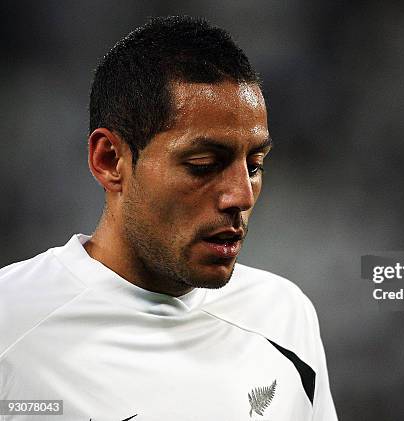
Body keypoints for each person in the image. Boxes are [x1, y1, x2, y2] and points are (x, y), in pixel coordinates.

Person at [0, 16, 337, 421]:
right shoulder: (11, 321)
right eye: (204, 164)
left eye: (254, 165)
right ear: (110, 160)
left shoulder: (285, 315)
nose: (241, 196)